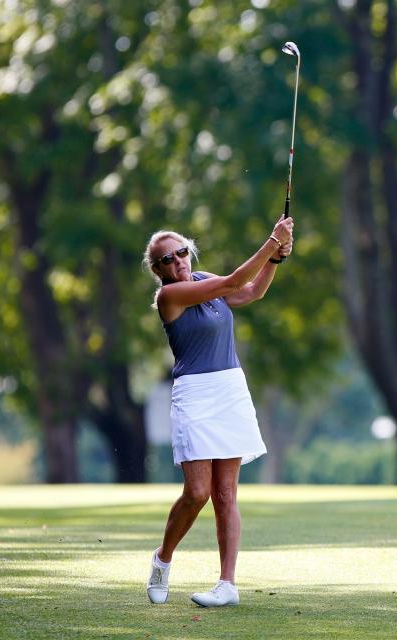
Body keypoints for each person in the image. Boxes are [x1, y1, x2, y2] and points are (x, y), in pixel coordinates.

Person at [142, 214, 294, 608]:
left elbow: (250, 292)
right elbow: (232, 283)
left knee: (225, 493)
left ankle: (227, 584)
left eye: (182, 253)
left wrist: (275, 258)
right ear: (158, 271)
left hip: (229, 389)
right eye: (167, 260)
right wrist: (270, 242)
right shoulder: (169, 297)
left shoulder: (201, 280)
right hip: (195, 394)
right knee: (197, 492)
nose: (178, 262)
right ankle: (163, 559)